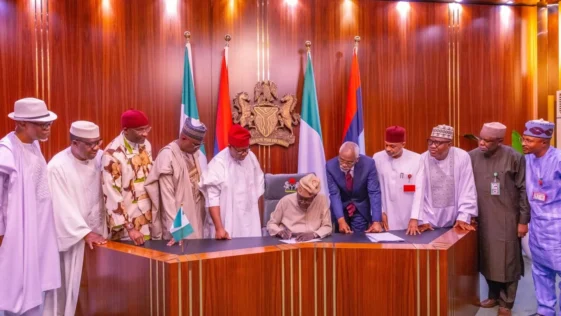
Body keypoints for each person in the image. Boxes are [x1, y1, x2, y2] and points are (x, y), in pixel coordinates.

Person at [0, 98, 61, 316]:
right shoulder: (6, 152)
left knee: (37, 288)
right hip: (19, 232)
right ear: (22, 123)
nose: (47, 128)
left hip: (39, 230)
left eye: (49, 123)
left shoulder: (34, 146)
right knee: (18, 291)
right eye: (41, 124)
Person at [45, 121, 107, 316]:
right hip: (74, 240)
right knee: (70, 292)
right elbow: (60, 206)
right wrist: (84, 232)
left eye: (98, 142)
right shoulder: (57, 166)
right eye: (90, 144)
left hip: (102, 237)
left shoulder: (102, 158)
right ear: (74, 143)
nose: (95, 148)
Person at [469, 122, 529, 315]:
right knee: (487, 259)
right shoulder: (471, 157)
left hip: (507, 219)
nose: (482, 143)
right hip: (482, 219)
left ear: (499, 141)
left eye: (487, 141)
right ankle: (494, 296)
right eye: (480, 138)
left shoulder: (514, 157)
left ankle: (507, 303)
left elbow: (523, 191)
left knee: (508, 261)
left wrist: (523, 221)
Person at [145, 117, 207, 245]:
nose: (197, 149)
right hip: (177, 221)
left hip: (195, 215)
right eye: (195, 144)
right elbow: (168, 199)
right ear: (184, 138)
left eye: (200, 145)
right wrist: (179, 231)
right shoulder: (167, 156)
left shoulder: (192, 152)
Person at [407, 124, 477, 235]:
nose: (432, 146)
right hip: (428, 223)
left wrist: (463, 216)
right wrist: (422, 220)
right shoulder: (422, 159)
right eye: (430, 141)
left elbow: (467, 188)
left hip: (455, 222)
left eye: (438, 143)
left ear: (449, 144)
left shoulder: (462, 157)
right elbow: (420, 194)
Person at [522, 119, 561, 316]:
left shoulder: (558, 160)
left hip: (558, 228)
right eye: (523, 139)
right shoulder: (527, 159)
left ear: (544, 142)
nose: (523, 143)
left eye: (529, 140)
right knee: (540, 271)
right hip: (537, 227)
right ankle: (545, 311)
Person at [200, 125, 264, 239]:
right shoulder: (218, 164)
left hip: (250, 218)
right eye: (240, 151)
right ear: (230, 147)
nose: (244, 154)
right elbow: (212, 199)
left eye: (246, 149)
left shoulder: (251, 157)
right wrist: (219, 228)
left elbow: (257, 186)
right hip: (228, 219)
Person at [102, 109, 153, 245]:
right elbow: (112, 193)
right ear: (126, 130)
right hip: (128, 230)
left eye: (147, 128)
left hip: (148, 223)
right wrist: (129, 227)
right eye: (140, 130)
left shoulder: (146, 145)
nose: (145, 133)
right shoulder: (112, 154)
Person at [326, 141, 383, 234]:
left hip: (360, 206)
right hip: (341, 207)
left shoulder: (368, 164)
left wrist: (376, 221)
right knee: (341, 239)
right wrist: (341, 220)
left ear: (357, 159)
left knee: (359, 240)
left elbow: (374, 192)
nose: (344, 165)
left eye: (348, 162)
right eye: (341, 160)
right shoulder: (330, 166)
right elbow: (334, 194)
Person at [373, 126, 421, 231]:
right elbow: (374, 188)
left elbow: (419, 191)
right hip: (386, 213)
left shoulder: (417, 159)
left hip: (408, 215)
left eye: (392, 146)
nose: (388, 149)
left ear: (403, 144)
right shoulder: (377, 158)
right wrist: (379, 212)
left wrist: (414, 217)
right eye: (386, 145)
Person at [267, 173, 332, 241]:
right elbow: (271, 224)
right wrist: (279, 232)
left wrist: (314, 234)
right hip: (289, 240)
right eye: (300, 198)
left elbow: (327, 226)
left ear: (314, 197)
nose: (302, 202)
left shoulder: (321, 200)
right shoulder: (285, 201)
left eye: (307, 200)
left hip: (313, 240)